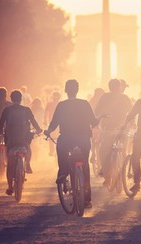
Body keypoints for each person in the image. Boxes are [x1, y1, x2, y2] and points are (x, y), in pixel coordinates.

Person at [44, 79, 104, 208]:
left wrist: (48, 131)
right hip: (83, 139)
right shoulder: (84, 104)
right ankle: (87, 200)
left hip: (66, 138)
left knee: (61, 151)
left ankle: (63, 173)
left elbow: (54, 123)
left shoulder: (61, 105)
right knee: (85, 165)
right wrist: (100, 117)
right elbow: (93, 122)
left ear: (66, 91)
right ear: (77, 90)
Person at [0, 90, 42, 195]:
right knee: (27, 147)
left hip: (11, 139)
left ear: (12, 99)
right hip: (24, 138)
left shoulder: (7, 110)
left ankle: (9, 187)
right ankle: (27, 164)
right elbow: (33, 121)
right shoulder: (26, 109)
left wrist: (0, 133)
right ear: (21, 99)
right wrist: (39, 130)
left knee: (10, 164)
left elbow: (1, 124)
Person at [95, 79, 132, 188]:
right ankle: (123, 170)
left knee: (104, 152)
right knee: (124, 151)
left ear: (109, 87)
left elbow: (97, 111)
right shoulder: (125, 97)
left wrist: (102, 116)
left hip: (108, 130)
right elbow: (132, 111)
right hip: (123, 130)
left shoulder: (105, 97)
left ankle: (107, 177)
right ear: (120, 87)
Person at [44, 91, 61, 157]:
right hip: (59, 124)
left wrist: (45, 121)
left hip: (51, 124)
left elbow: (45, 113)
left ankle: (51, 151)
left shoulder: (49, 104)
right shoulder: (61, 103)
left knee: (50, 136)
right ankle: (55, 150)